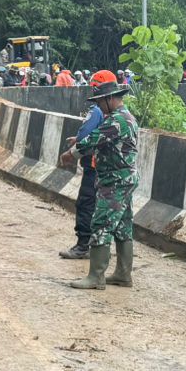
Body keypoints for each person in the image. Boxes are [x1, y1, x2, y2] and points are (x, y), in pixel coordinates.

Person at [59, 75, 139, 288]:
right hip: (124, 179)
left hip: (114, 180)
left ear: (111, 99)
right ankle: (123, 274)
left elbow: (94, 139)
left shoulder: (117, 120)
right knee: (123, 225)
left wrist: (71, 153)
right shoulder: (124, 117)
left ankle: (96, 277)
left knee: (102, 223)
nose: (99, 107)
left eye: (100, 102)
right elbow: (101, 138)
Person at [59, 70, 115, 260]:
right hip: (107, 167)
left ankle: (83, 245)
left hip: (93, 165)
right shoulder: (115, 112)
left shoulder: (97, 110)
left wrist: (73, 149)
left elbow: (87, 135)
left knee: (86, 203)